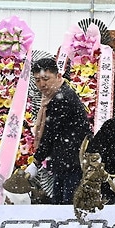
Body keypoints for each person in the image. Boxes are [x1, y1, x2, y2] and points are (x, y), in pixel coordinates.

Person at [27, 56, 91, 206]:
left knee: (66, 209)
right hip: (65, 161)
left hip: (72, 163)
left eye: (46, 79)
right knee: (60, 206)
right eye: (37, 80)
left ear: (58, 76)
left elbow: (50, 133)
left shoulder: (62, 99)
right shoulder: (54, 96)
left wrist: (36, 162)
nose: (42, 84)